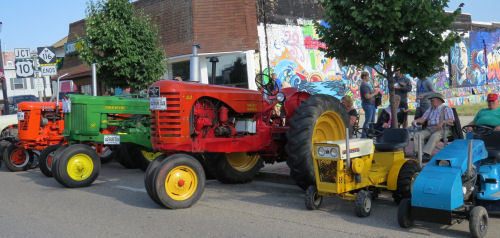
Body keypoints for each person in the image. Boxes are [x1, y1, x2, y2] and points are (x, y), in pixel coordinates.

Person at [412, 92, 455, 162]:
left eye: (432, 100)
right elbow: (423, 119)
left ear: (438, 100)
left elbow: (451, 120)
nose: (430, 102)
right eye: (430, 101)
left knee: (435, 136)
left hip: (443, 129)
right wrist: (415, 121)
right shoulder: (430, 109)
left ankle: (426, 154)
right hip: (430, 128)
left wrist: (443, 122)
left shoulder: (446, 108)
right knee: (418, 135)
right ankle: (418, 154)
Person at [359, 71, 380, 138]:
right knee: (368, 121)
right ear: (364, 77)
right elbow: (367, 96)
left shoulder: (366, 85)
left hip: (371, 105)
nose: (369, 77)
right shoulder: (364, 85)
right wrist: (375, 93)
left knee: (372, 121)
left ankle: (370, 135)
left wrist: (373, 91)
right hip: (368, 105)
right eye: (368, 76)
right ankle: (364, 136)